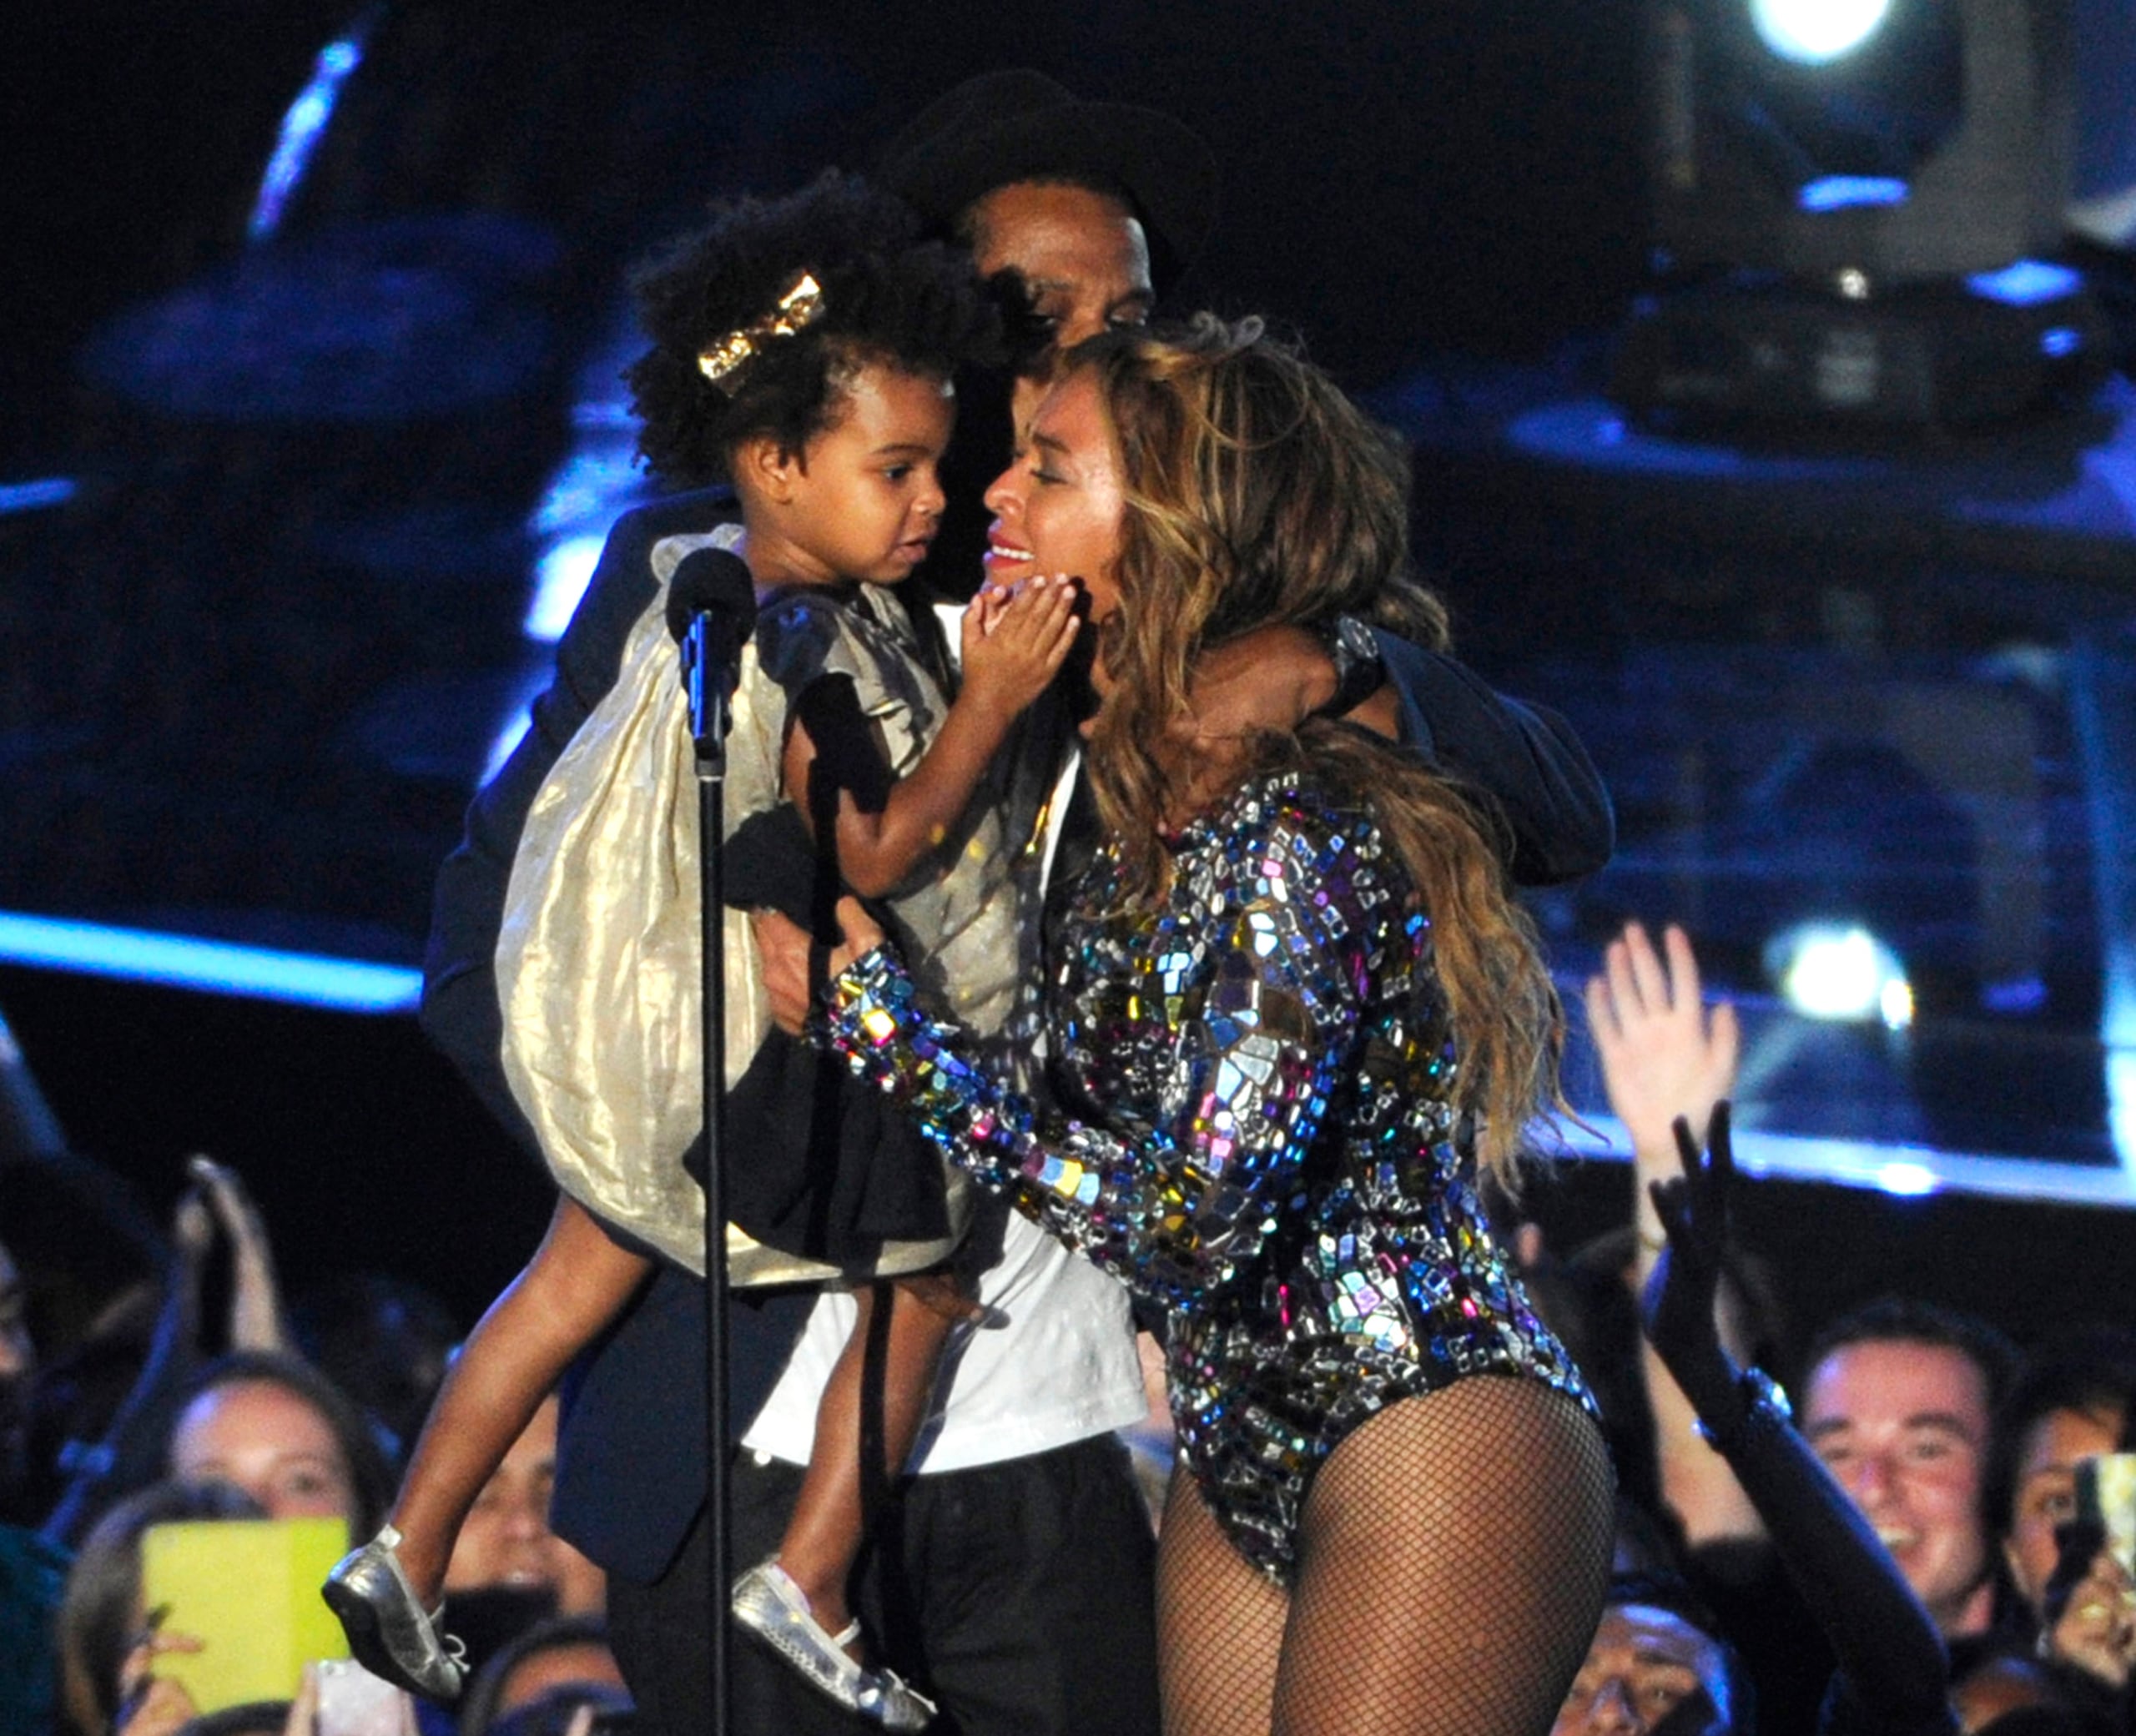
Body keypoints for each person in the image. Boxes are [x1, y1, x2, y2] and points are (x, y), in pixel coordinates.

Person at [419, 71, 1616, 1736]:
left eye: (1121, 319)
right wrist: (785, 1137)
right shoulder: (737, 580)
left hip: (1079, 1450)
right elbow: (493, 975)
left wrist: (1344, 661)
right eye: (1038, 316)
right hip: (759, 1429)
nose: (1076, 355)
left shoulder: (1193, 671)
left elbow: (1558, 809)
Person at [330, 169, 1062, 1729]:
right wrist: (988, 703)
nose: (935, 499)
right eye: (901, 467)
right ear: (776, 464)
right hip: (741, 1054)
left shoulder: (713, 598)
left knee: (564, 1275)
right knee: (927, 1276)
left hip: (682, 1054)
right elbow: (868, 845)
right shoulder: (800, 637)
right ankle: (806, 1574)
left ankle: (406, 1542)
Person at [816, 315, 1615, 1733]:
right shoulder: (1107, 779)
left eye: (1051, 471)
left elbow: (1196, 1219)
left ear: (1181, 521)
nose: (997, 497)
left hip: (1421, 1416)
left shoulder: (1299, 811)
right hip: (1230, 1433)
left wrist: (891, 1036)